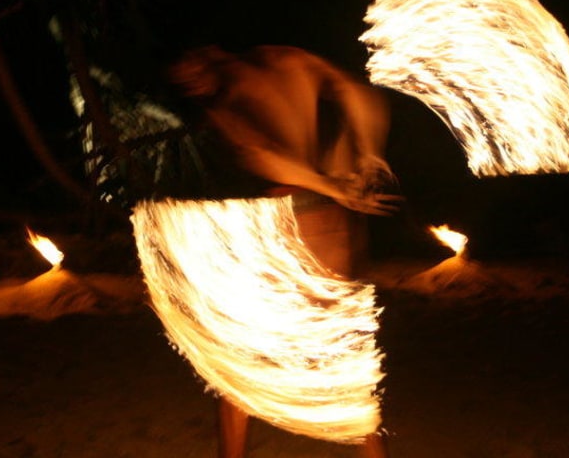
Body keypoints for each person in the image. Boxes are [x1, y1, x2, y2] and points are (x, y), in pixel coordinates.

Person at [167, 44, 400, 458]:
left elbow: (261, 154)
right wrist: (367, 154)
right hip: (332, 225)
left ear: (210, 54)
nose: (192, 85)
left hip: (285, 226)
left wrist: (335, 182)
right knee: (344, 358)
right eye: (184, 85)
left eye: (192, 73)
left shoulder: (230, 101)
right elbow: (359, 93)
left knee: (236, 364)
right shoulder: (290, 62)